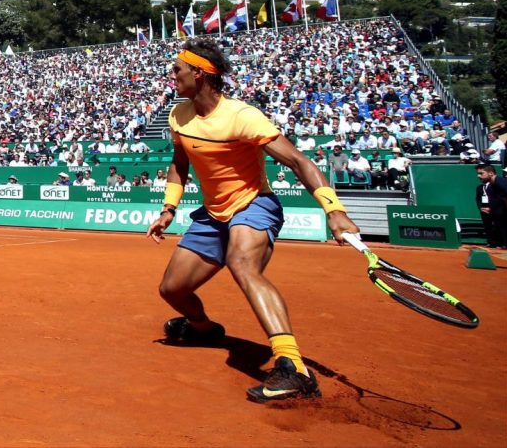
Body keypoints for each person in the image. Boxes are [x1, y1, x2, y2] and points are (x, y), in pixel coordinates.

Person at [146, 38, 358, 404]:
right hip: (212, 214)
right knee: (172, 290)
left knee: (242, 263)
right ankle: (204, 330)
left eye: (177, 69)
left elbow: (299, 162)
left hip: (253, 204)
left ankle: (293, 367)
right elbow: (180, 164)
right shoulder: (178, 115)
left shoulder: (243, 116)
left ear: (200, 73)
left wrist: (334, 211)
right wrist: (169, 209)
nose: (172, 75)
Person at [475, 164, 507, 249]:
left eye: (481, 173)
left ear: (491, 173)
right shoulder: (493, 185)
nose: (478, 176)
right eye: (478, 173)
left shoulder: (500, 182)